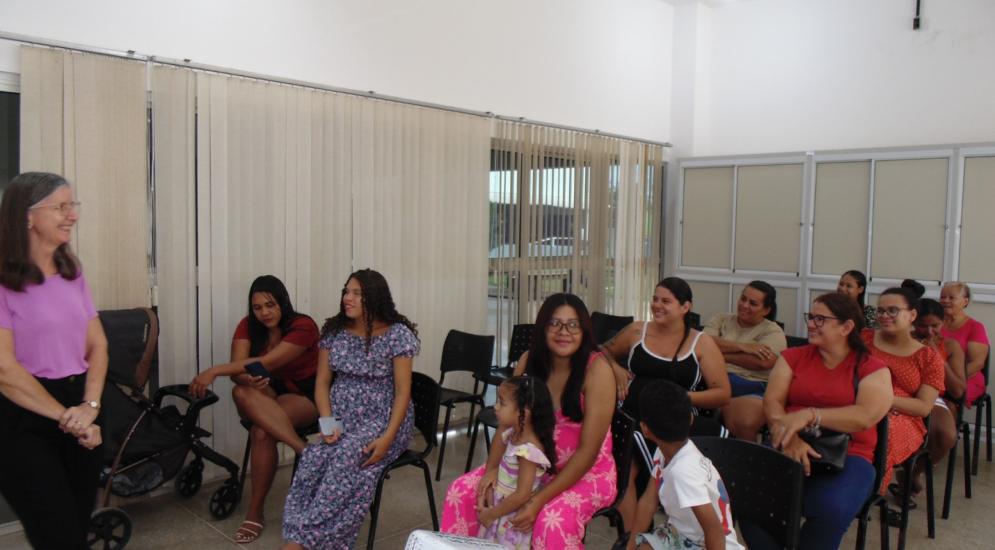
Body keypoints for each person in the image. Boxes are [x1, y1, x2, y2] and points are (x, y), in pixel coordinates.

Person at [442, 293, 616, 550]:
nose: (563, 332)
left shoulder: (597, 371)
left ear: (584, 330)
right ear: (542, 327)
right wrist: (491, 469)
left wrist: (537, 501)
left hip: (583, 472)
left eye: (573, 325)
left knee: (551, 521)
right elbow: (507, 424)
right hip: (525, 464)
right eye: (554, 323)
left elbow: (588, 453)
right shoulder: (528, 362)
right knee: (464, 491)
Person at [0, 172, 108, 549]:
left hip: (81, 406)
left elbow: (98, 346)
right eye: (61, 207)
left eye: (72, 205)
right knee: (57, 536)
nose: (72, 215)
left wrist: (90, 407)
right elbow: (4, 369)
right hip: (24, 418)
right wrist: (68, 417)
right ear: (27, 216)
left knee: (76, 529)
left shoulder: (71, 273)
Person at [280, 269, 418, 549]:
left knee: (345, 459)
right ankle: (300, 533)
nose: (347, 298)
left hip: (384, 420)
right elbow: (322, 382)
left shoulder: (397, 335)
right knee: (314, 457)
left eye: (356, 293)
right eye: (346, 291)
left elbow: (403, 392)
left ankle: (307, 541)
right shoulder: (334, 332)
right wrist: (327, 421)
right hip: (343, 418)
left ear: (374, 297)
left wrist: (388, 438)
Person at [743, 292, 893, 550]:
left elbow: (865, 416)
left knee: (830, 508)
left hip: (849, 454)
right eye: (811, 317)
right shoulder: (793, 357)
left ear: (846, 327)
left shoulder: (872, 367)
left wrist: (811, 415)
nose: (811, 324)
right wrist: (790, 438)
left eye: (820, 319)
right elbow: (772, 402)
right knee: (747, 498)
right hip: (787, 443)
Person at [187, 275, 319, 543]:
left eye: (270, 305)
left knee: (261, 432)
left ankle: (254, 512)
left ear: (282, 302)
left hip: (306, 395)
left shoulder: (303, 325)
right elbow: (239, 373)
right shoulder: (248, 326)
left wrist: (214, 370)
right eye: (257, 307)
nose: (264, 313)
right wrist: (248, 379)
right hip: (268, 393)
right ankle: (304, 450)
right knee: (240, 391)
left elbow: (269, 362)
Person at [601, 277, 730, 536]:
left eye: (666, 301)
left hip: (675, 417)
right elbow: (602, 351)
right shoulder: (637, 331)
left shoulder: (701, 342)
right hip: (634, 413)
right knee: (625, 470)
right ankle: (632, 534)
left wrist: (680, 397)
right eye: (655, 299)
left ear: (685, 307)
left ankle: (663, 531)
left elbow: (722, 393)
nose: (657, 305)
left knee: (649, 467)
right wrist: (615, 367)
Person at [630, 380, 744, 550]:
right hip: (681, 534)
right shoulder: (664, 452)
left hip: (710, 543)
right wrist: (630, 546)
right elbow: (648, 501)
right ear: (691, 418)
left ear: (645, 430)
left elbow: (713, 530)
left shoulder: (683, 472)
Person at [861, 283, 944, 503]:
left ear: (912, 315)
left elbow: (923, 407)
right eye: (881, 311)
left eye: (893, 310)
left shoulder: (928, 357)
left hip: (903, 415)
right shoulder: (864, 339)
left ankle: (869, 495)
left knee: (883, 431)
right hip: (858, 401)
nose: (885, 316)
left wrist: (883, 401)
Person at [475, 376, 556, 549]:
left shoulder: (528, 452)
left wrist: (492, 514)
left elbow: (522, 495)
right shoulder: (513, 434)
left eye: (502, 403)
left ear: (523, 412)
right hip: (501, 510)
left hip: (509, 520)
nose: (496, 407)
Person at [702, 281, 786, 440]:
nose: (744, 305)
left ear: (766, 310)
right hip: (710, 379)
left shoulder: (772, 331)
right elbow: (703, 343)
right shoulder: (720, 319)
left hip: (751, 386)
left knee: (743, 420)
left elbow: (763, 362)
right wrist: (743, 347)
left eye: (753, 303)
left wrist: (718, 355)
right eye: (743, 299)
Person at [913, 297, 966, 486]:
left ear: (943, 323)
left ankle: (914, 472)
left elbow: (958, 390)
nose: (929, 332)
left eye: (935, 326)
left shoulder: (950, 346)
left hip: (932, 396)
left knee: (946, 435)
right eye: (922, 325)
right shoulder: (903, 340)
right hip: (901, 394)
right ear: (912, 321)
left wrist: (937, 356)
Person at [939, 282, 990, 407]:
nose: (945, 301)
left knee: (946, 397)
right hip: (936, 375)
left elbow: (977, 363)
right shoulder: (933, 324)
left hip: (967, 377)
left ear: (965, 301)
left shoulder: (975, 327)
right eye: (943, 297)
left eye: (951, 298)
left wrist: (951, 378)